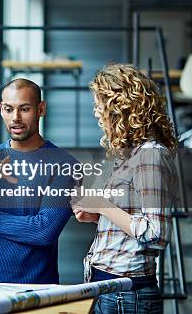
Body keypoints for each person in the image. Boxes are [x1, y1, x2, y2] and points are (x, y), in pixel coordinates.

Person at [73, 64, 177, 314]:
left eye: (100, 104)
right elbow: (129, 219)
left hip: (127, 295)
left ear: (121, 108)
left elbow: (156, 234)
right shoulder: (127, 156)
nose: (96, 112)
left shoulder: (150, 155)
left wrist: (103, 206)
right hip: (107, 287)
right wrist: (96, 215)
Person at [0, 78, 78, 283]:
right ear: (1, 109)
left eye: (25, 109)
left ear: (41, 109)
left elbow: (43, 231)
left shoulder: (64, 165)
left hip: (38, 290)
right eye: (9, 109)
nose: (16, 118)